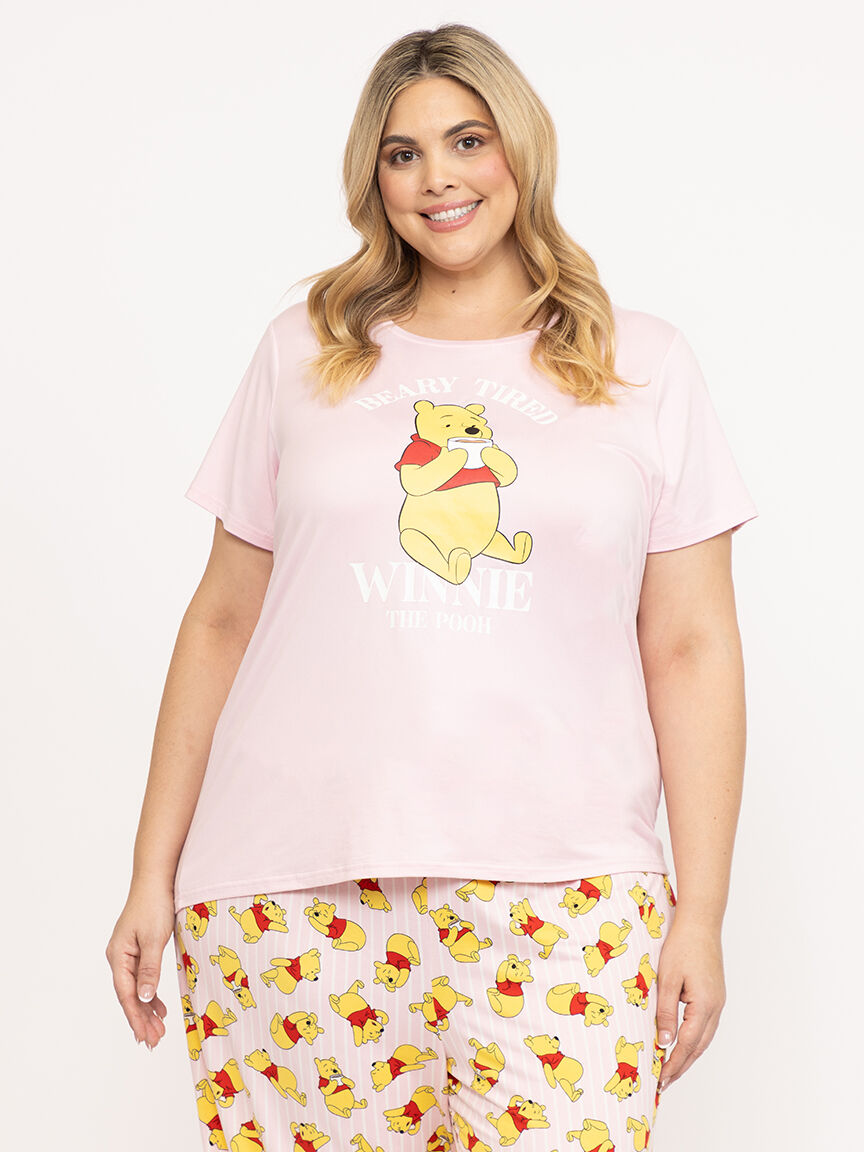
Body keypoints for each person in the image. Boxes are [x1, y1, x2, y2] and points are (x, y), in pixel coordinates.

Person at [106, 23, 758, 1151]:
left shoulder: (641, 364)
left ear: (521, 149)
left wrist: (700, 911)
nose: (438, 178)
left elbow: (691, 645)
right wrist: (148, 874)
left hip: (568, 897)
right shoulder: (305, 352)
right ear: (374, 179)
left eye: (467, 140)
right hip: (292, 896)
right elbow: (222, 617)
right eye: (402, 154)